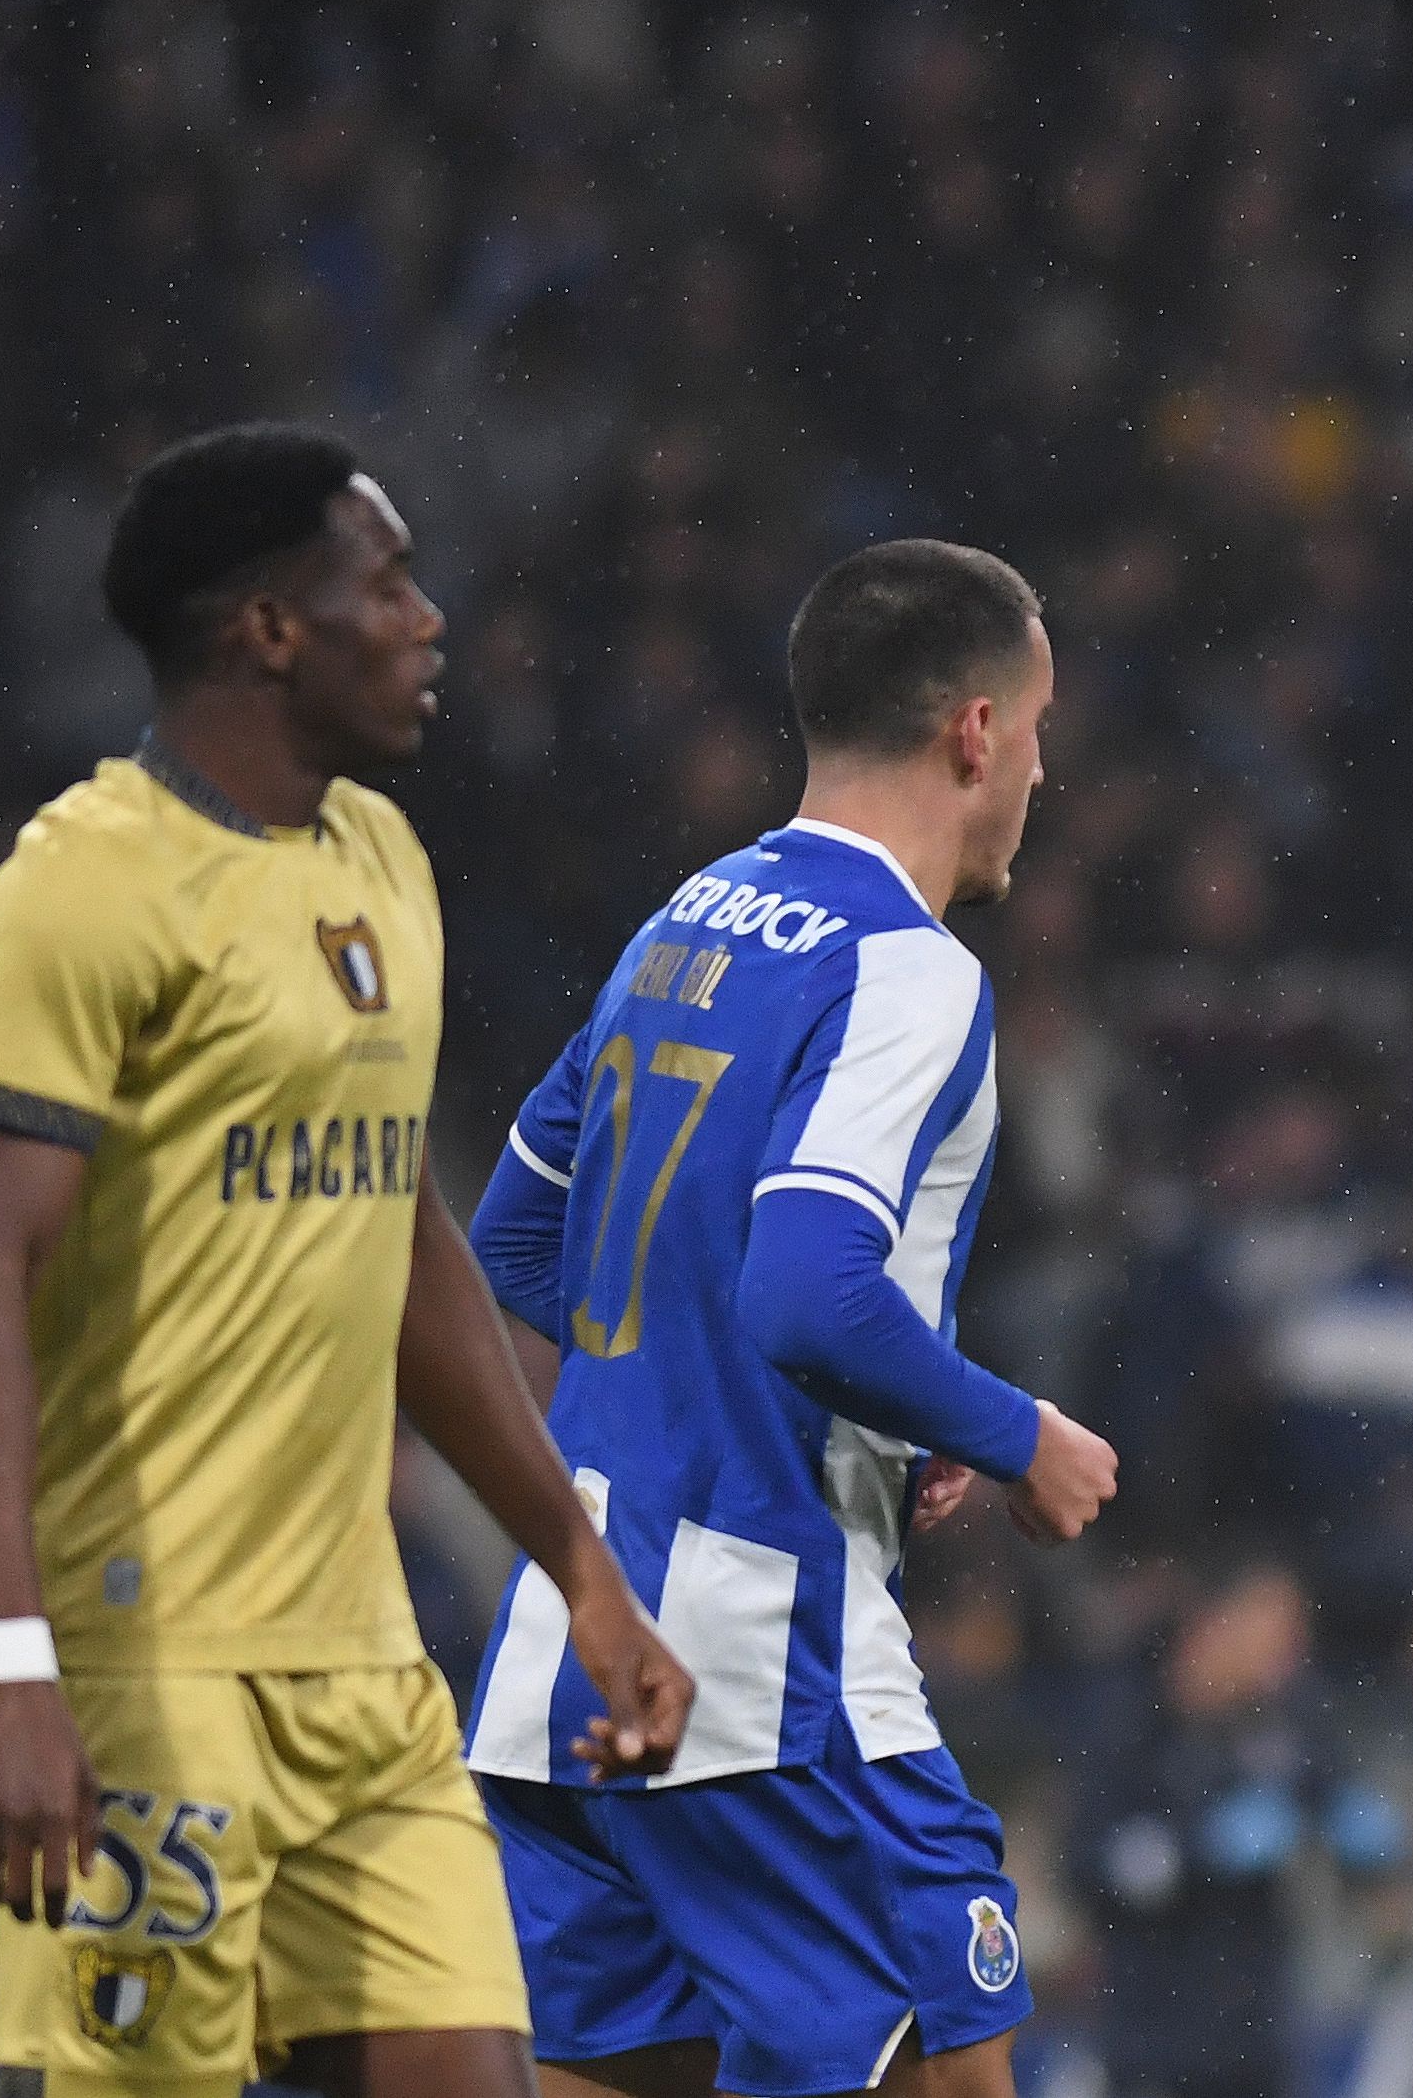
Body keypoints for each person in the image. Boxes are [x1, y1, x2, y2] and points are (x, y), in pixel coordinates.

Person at [0, 422, 695, 2098]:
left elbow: (394, 1236)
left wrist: (580, 1565)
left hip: (358, 1658)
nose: (427, 622)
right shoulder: (86, 889)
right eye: (388, 582)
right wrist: (12, 1670)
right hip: (139, 1662)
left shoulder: (380, 868)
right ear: (268, 626)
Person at [460, 539, 1121, 2098]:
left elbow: (517, 1233)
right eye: (1035, 728)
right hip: (762, 1658)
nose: (1043, 766)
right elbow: (803, 1288)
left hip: (569, 1641)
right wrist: (1013, 1430)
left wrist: (877, 1396)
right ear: (972, 732)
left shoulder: (687, 918)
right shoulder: (910, 971)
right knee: (957, 2067)